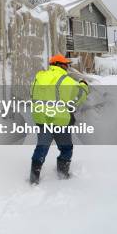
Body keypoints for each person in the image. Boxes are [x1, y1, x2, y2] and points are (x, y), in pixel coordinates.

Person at [29, 54, 89, 184]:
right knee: (66, 148)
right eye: (66, 64)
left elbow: (32, 95)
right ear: (60, 65)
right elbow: (80, 96)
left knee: (41, 147)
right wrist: (84, 85)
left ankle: (33, 179)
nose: (67, 67)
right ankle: (62, 175)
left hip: (41, 118)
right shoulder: (65, 80)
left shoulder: (38, 77)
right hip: (60, 120)